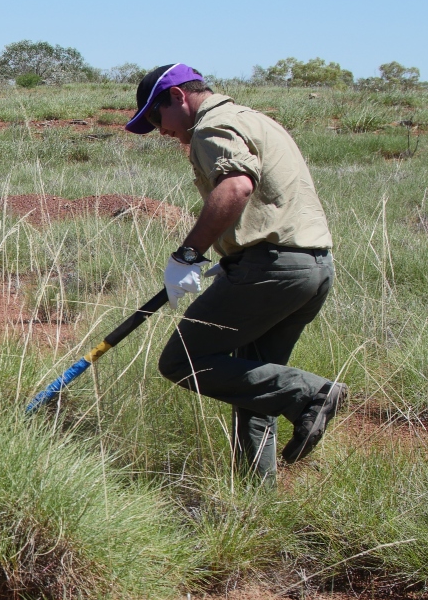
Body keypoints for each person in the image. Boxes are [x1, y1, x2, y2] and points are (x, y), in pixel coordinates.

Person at [126, 63, 346, 481]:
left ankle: (309, 394)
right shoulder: (257, 120)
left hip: (270, 269)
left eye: (156, 117)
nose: (160, 130)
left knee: (182, 360)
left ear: (178, 96)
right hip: (312, 268)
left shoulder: (213, 126)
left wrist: (188, 254)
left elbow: (237, 186)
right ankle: (255, 494)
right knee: (256, 387)